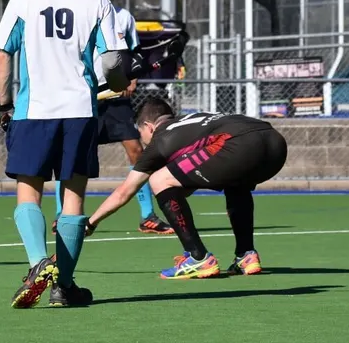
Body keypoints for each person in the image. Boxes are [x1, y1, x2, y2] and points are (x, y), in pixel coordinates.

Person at [0, 0, 133, 308]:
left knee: (28, 192)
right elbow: (113, 62)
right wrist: (121, 83)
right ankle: (63, 286)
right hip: (79, 112)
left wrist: (4, 105)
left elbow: (3, 53)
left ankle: (39, 263)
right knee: (72, 199)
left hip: (32, 111)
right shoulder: (98, 3)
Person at [87, 99, 287, 279]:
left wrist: (91, 223)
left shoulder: (160, 138)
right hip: (274, 142)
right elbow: (186, 181)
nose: (142, 139)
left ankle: (197, 257)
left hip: (238, 145)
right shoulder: (193, 120)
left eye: (140, 133)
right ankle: (246, 255)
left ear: (148, 126)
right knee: (236, 182)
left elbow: (125, 192)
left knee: (158, 179)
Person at [53, 0, 173, 236]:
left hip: (114, 96)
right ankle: (62, 215)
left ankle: (147, 216)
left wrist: (130, 80)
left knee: (136, 149)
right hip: (84, 96)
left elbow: (133, 52)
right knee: (70, 156)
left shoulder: (122, 17)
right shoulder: (75, 15)